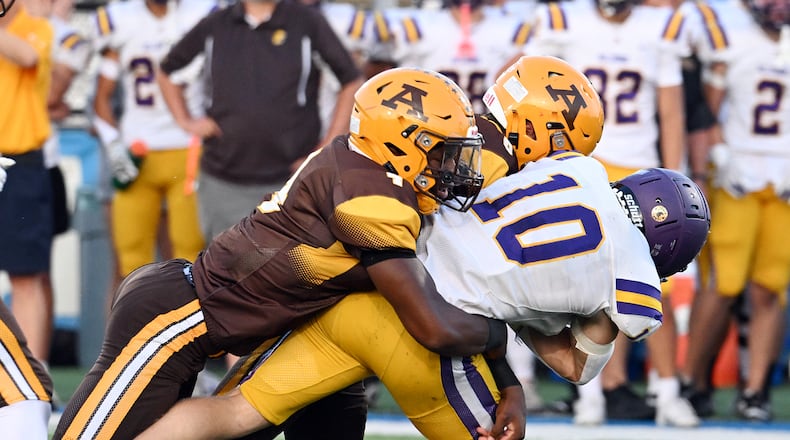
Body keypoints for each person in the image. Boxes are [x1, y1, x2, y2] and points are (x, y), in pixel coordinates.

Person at [137, 55, 711, 440]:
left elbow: (477, 263)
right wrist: (557, 335)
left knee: (237, 414)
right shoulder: (608, 244)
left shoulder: (553, 170)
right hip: (418, 323)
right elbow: (572, 358)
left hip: (348, 296)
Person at [53, 66, 519, 440]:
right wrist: (501, 342)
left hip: (270, 326)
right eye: (440, 153)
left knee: (329, 405)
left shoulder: (376, 170)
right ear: (399, 143)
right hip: (178, 318)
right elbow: (433, 326)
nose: (450, 167)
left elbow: (509, 143)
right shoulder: (366, 196)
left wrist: (509, 381)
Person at [522, 0, 698, 426]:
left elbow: (672, 112)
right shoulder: (562, 22)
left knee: (658, 284)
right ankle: (593, 394)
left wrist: (675, 173)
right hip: (583, 169)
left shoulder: (661, 27)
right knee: (585, 286)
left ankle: (667, 389)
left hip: (642, 177)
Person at [156, 0, 365, 244]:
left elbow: (351, 80)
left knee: (294, 271)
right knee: (228, 272)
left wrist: (325, 147)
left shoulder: (307, 22)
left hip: (291, 181)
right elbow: (167, 71)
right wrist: (186, 121)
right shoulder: (216, 25)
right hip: (224, 181)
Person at [679, 0, 790, 422]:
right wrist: (718, 155)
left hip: (783, 180)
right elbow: (707, 108)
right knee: (722, 285)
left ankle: (756, 389)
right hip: (737, 176)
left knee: (769, 288)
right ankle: (692, 380)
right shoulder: (731, 35)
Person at [89, 0, 214, 281]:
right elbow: (101, 98)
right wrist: (114, 147)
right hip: (139, 151)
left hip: (188, 149)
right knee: (131, 258)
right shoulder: (120, 19)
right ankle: (136, 324)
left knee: (190, 255)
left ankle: (186, 324)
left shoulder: (204, 11)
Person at [0, 0, 54, 368]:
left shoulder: (37, 28)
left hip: (18, 162)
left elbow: (26, 55)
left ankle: (30, 379)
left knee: (25, 276)